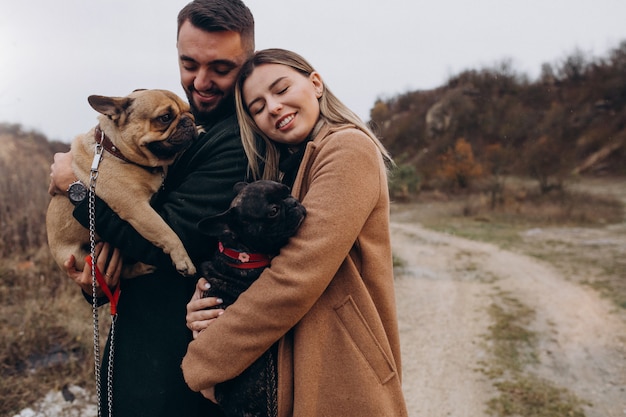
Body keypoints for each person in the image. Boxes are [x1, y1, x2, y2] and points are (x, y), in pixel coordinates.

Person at [47, 1, 254, 416]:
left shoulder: (238, 140)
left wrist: (73, 187)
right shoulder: (183, 126)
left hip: (181, 357)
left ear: (247, 61)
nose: (201, 81)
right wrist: (99, 282)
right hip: (137, 338)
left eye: (220, 68)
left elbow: (168, 240)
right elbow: (118, 240)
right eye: (189, 63)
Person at [183, 48, 409, 416]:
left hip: (344, 370)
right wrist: (209, 301)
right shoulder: (289, 166)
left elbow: (296, 274)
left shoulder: (347, 148)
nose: (273, 107)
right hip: (293, 365)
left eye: (282, 88)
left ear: (315, 83)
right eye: (257, 107)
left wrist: (206, 359)